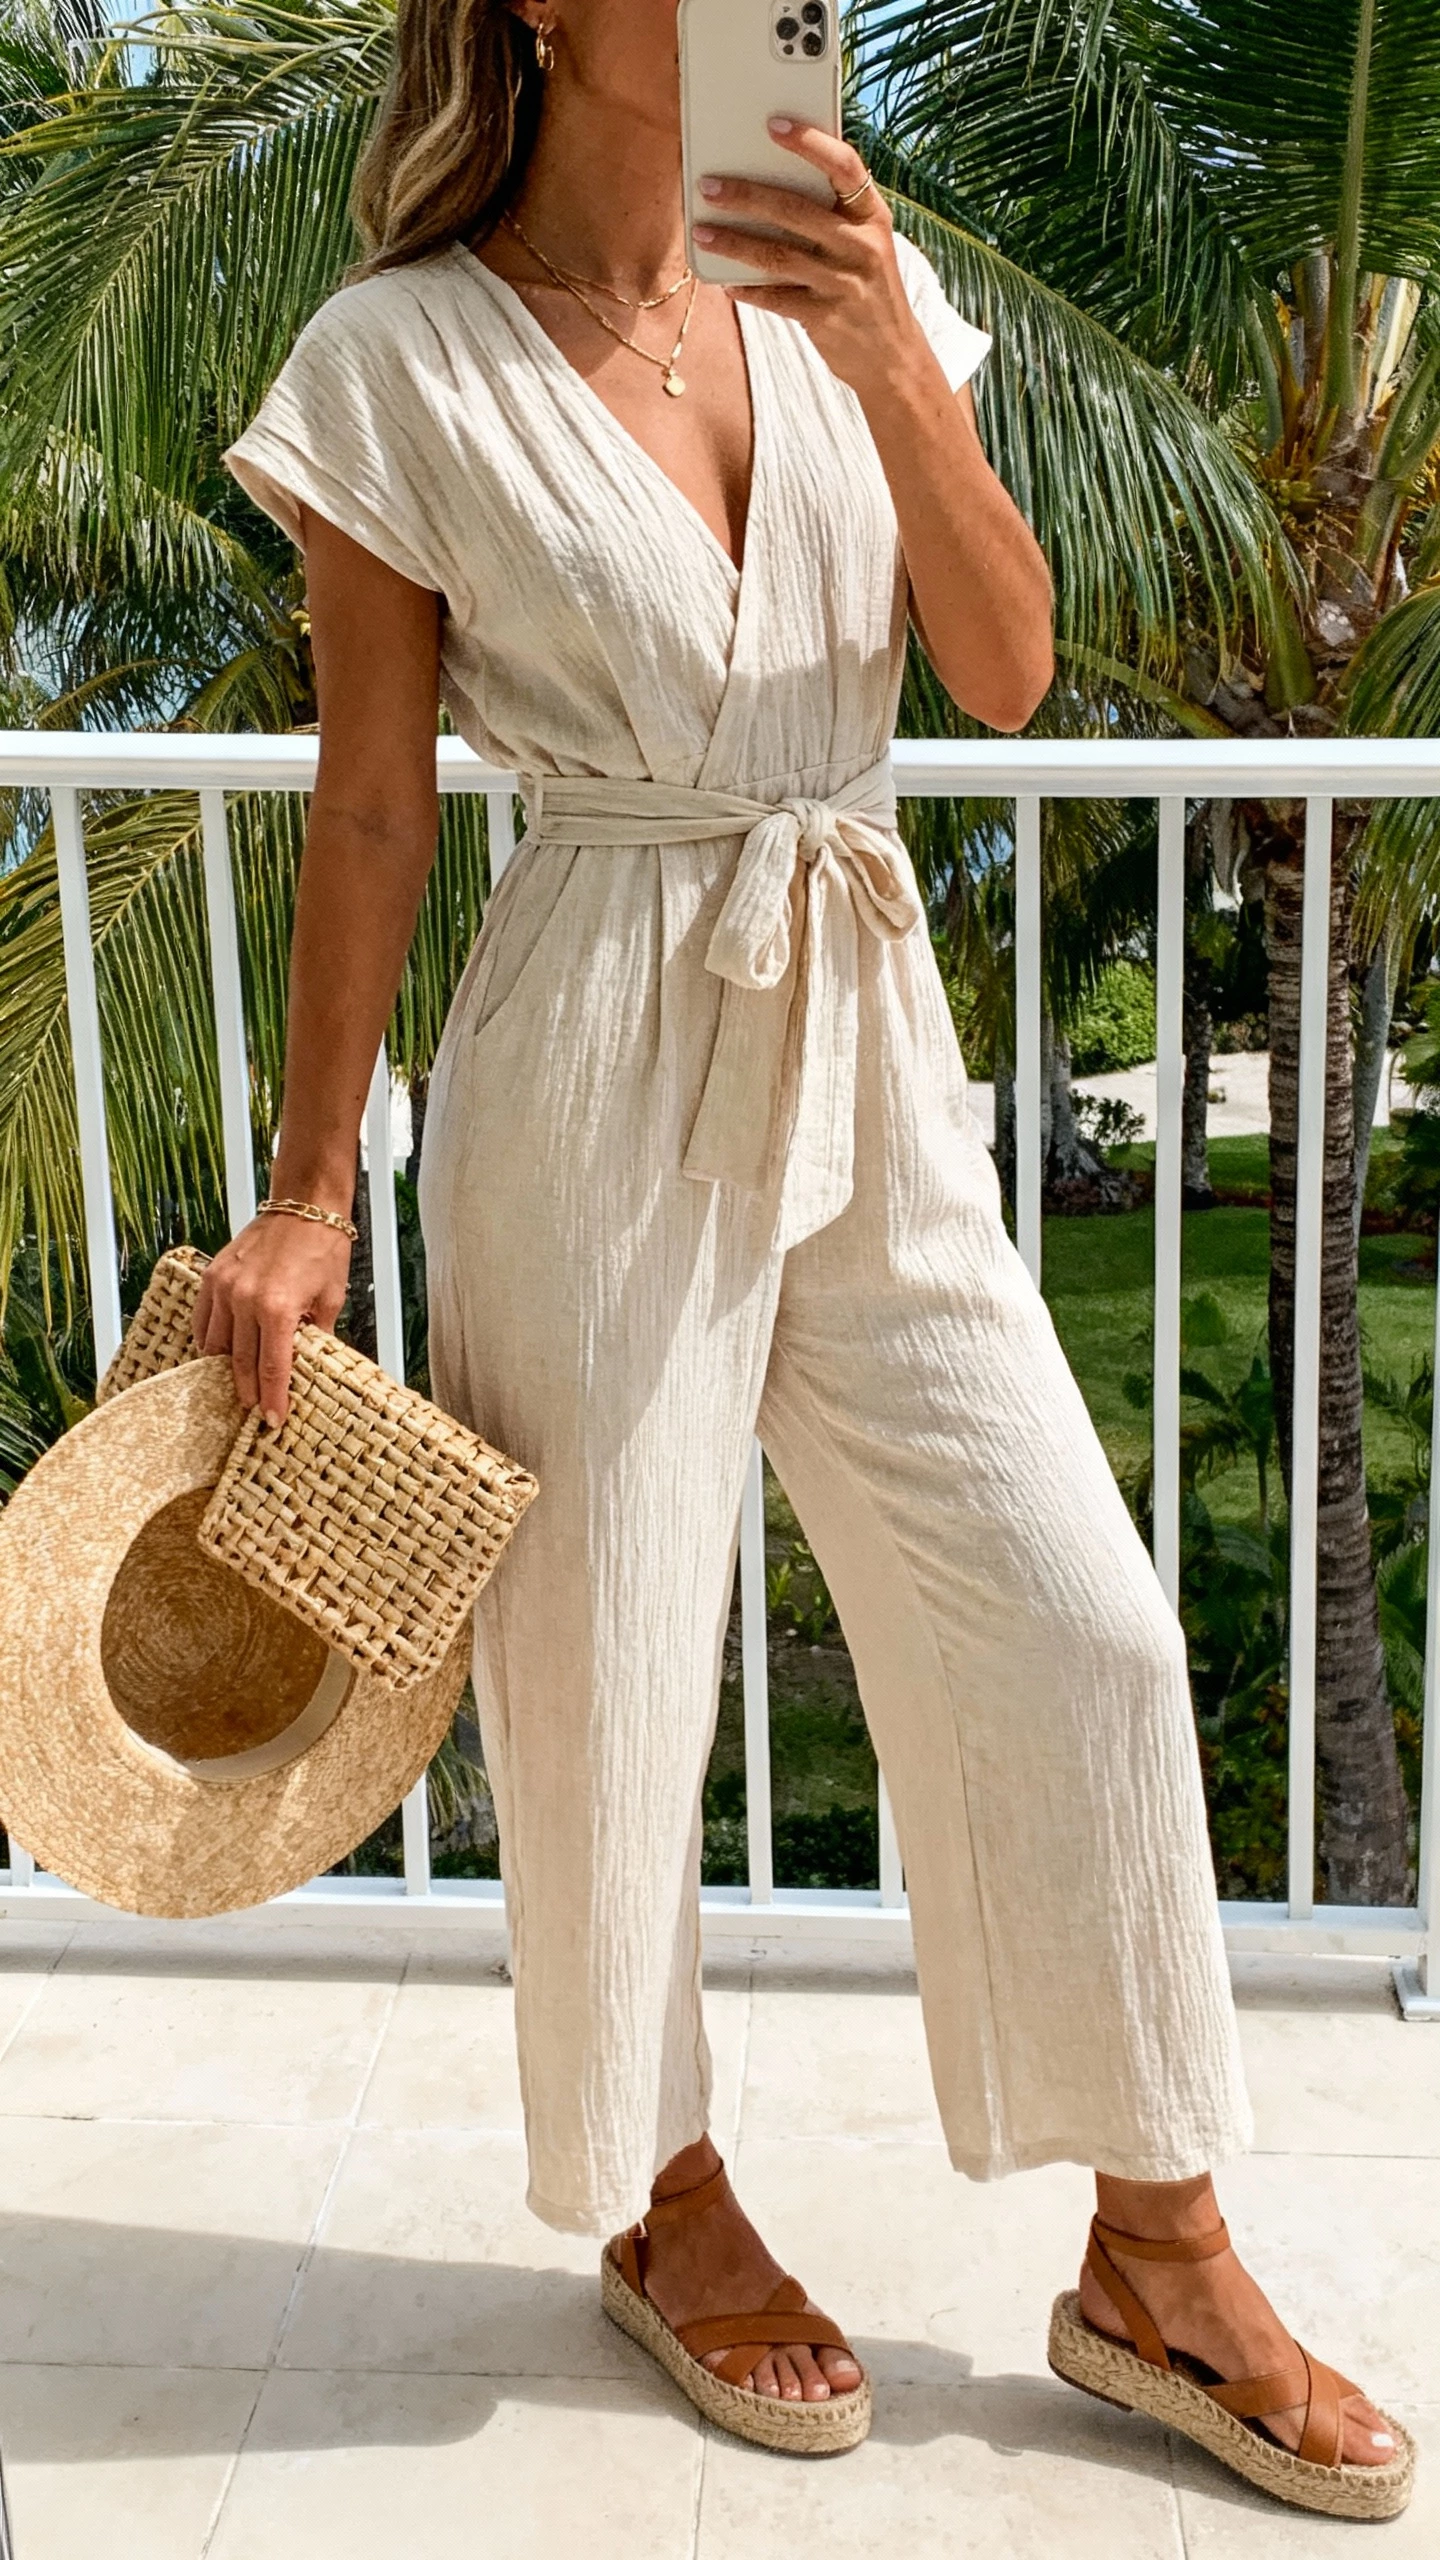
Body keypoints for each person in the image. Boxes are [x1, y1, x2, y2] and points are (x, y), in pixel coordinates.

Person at [202, 0, 1407, 2502]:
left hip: (861, 1015)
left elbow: (1006, 660)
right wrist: (311, 1190)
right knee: (612, 1660)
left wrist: (890, 358)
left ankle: (1153, 2244)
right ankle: (667, 2200)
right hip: (589, 1037)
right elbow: (367, 812)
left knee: (1070, 1605)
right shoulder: (398, 357)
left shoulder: (861, 284)